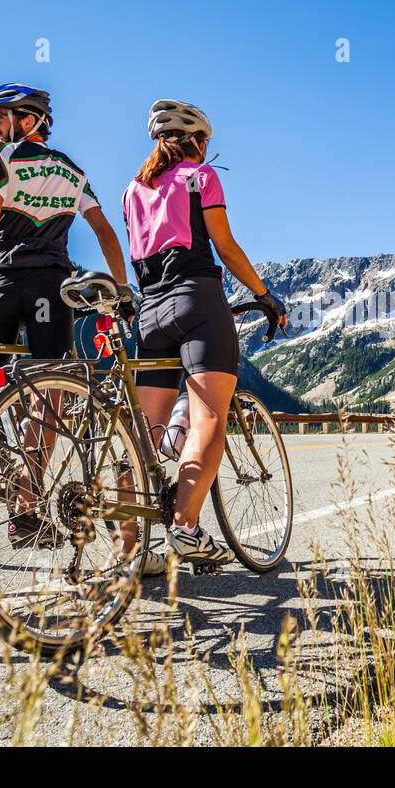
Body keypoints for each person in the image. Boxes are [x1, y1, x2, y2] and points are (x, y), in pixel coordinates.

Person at [0, 83, 129, 564]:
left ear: (29, 120)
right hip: (51, 293)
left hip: (0, 286)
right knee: (48, 398)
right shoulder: (72, 171)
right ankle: (26, 511)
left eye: (0, 115)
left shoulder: (1, 157)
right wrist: (118, 291)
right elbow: (103, 231)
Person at [121, 99, 286, 568]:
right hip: (196, 299)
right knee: (211, 415)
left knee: (142, 437)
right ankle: (186, 529)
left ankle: (130, 549)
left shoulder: (131, 191)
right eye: (206, 142)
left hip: (150, 310)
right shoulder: (201, 177)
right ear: (196, 141)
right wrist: (266, 295)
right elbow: (225, 246)